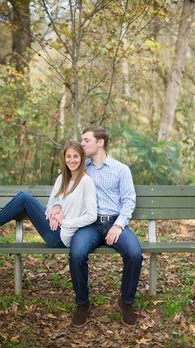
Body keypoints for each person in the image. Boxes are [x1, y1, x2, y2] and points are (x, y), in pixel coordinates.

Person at [47, 127, 143, 328]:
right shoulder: (82, 167)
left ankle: (126, 302)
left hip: (114, 222)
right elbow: (61, 187)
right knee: (77, 253)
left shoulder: (121, 169)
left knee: (134, 253)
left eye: (86, 140)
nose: (82, 144)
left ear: (100, 142)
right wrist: (56, 205)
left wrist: (118, 226)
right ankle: (82, 303)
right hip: (88, 224)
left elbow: (129, 201)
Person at [0, 140, 97, 250]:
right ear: (64, 158)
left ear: (82, 158)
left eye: (75, 156)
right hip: (52, 227)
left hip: (62, 237)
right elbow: (51, 203)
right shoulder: (62, 178)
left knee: (24, 198)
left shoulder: (86, 181)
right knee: (24, 198)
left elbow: (91, 216)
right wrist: (56, 209)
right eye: (68, 156)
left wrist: (64, 222)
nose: (72, 160)